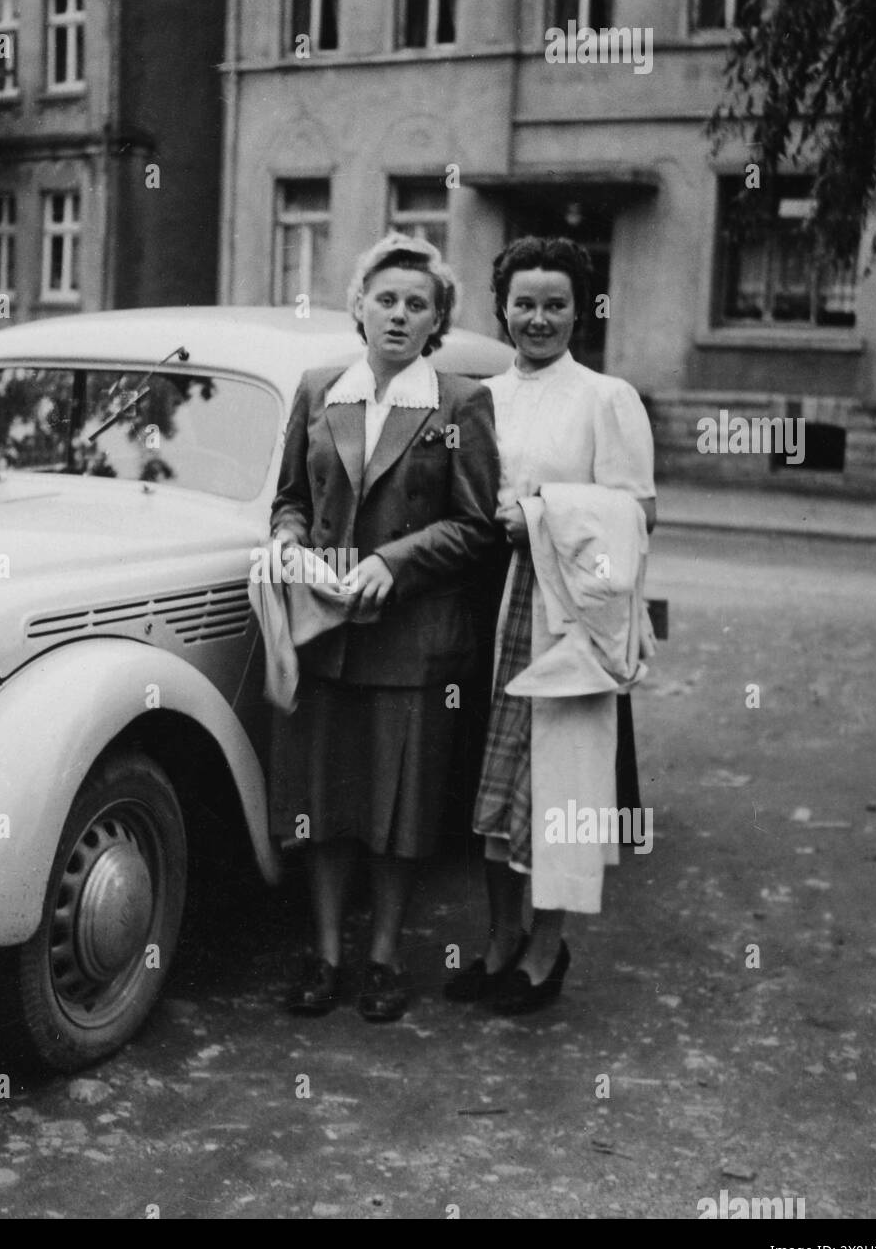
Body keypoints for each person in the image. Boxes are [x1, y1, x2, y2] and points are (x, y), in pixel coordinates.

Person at [268, 233, 501, 1022]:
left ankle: (383, 958)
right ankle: (327, 954)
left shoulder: (461, 402)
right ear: (357, 307)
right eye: (386, 299)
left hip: (412, 644)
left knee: (398, 810)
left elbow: (478, 527)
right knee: (325, 804)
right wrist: (289, 544)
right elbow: (290, 499)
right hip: (323, 633)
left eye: (417, 304)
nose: (399, 315)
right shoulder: (317, 388)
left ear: (436, 322)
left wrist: (395, 562)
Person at [446, 235, 656, 1015]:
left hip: (568, 611)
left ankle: (545, 948)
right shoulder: (480, 397)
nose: (539, 318)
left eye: (556, 304)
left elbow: (638, 515)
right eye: (526, 303)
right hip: (490, 603)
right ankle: (500, 939)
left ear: (580, 310)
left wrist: (540, 514)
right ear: (502, 308)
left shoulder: (606, 398)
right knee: (494, 786)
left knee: (559, 786)